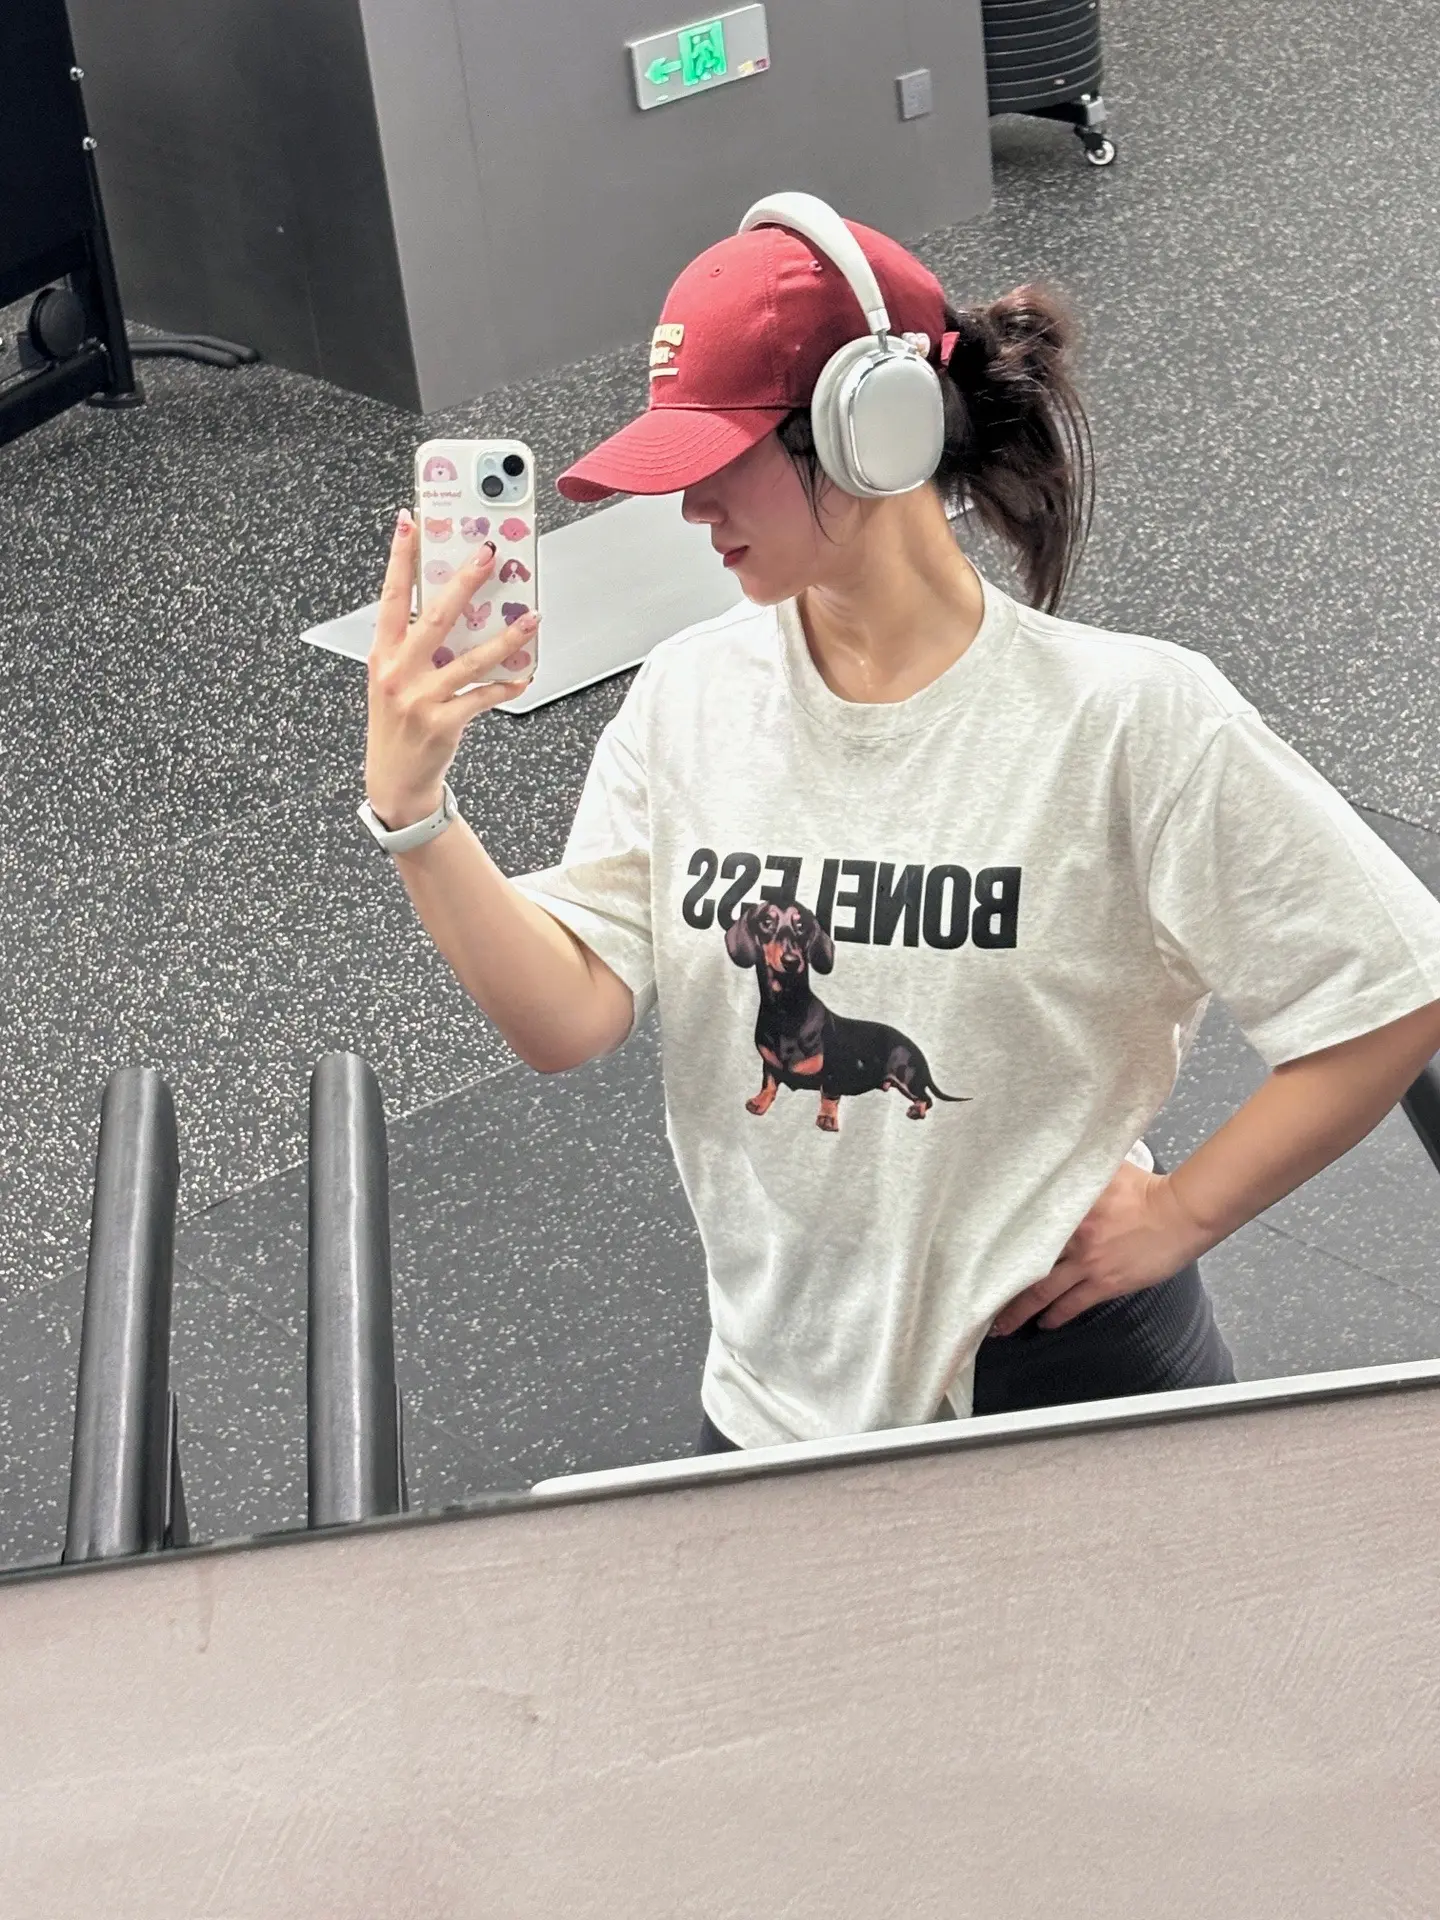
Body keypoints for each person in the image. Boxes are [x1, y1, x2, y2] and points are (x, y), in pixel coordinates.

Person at [359, 196, 1440, 1457]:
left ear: (874, 429)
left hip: (1064, 1375)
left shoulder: (1131, 719)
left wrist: (1182, 1216)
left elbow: (1392, 989)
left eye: (723, 459)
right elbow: (569, 1018)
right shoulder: (690, 696)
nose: (693, 506)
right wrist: (416, 815)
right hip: (774, 1387)